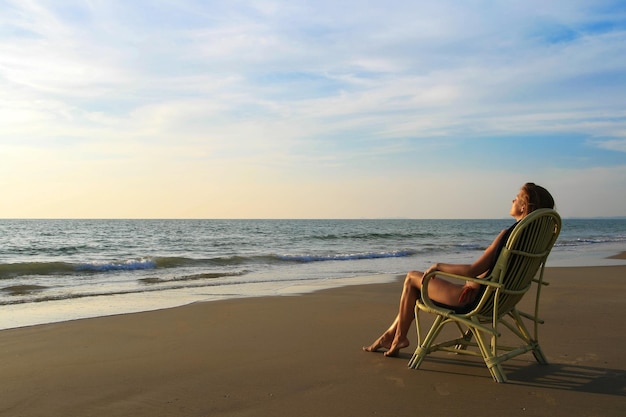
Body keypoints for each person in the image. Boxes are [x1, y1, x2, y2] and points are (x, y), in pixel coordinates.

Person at [363, 182, 556, 357]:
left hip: (473, 300)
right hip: (500, 299)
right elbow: (498, 271)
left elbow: (473, 269)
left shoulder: (508, 234)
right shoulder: (529, 240)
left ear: (524, 206)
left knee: (412, 278)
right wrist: (477, 282)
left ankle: (397, 337)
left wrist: (438, 266)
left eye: (517, 197)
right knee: (414, 285)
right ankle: (392, 336)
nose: (512, 199)